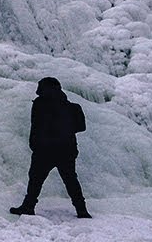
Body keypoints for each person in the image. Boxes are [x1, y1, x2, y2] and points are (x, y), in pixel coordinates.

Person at [10, 77, 91, 218]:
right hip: (66, 149)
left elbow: (35, 126)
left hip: (44, 150)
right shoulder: (73, 107)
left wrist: (35, 144)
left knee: (35, 179)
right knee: (71, 180)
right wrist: (65, 130)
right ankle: (81, 210)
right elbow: (81, 127)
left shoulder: (39, 104)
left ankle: (28, 206)